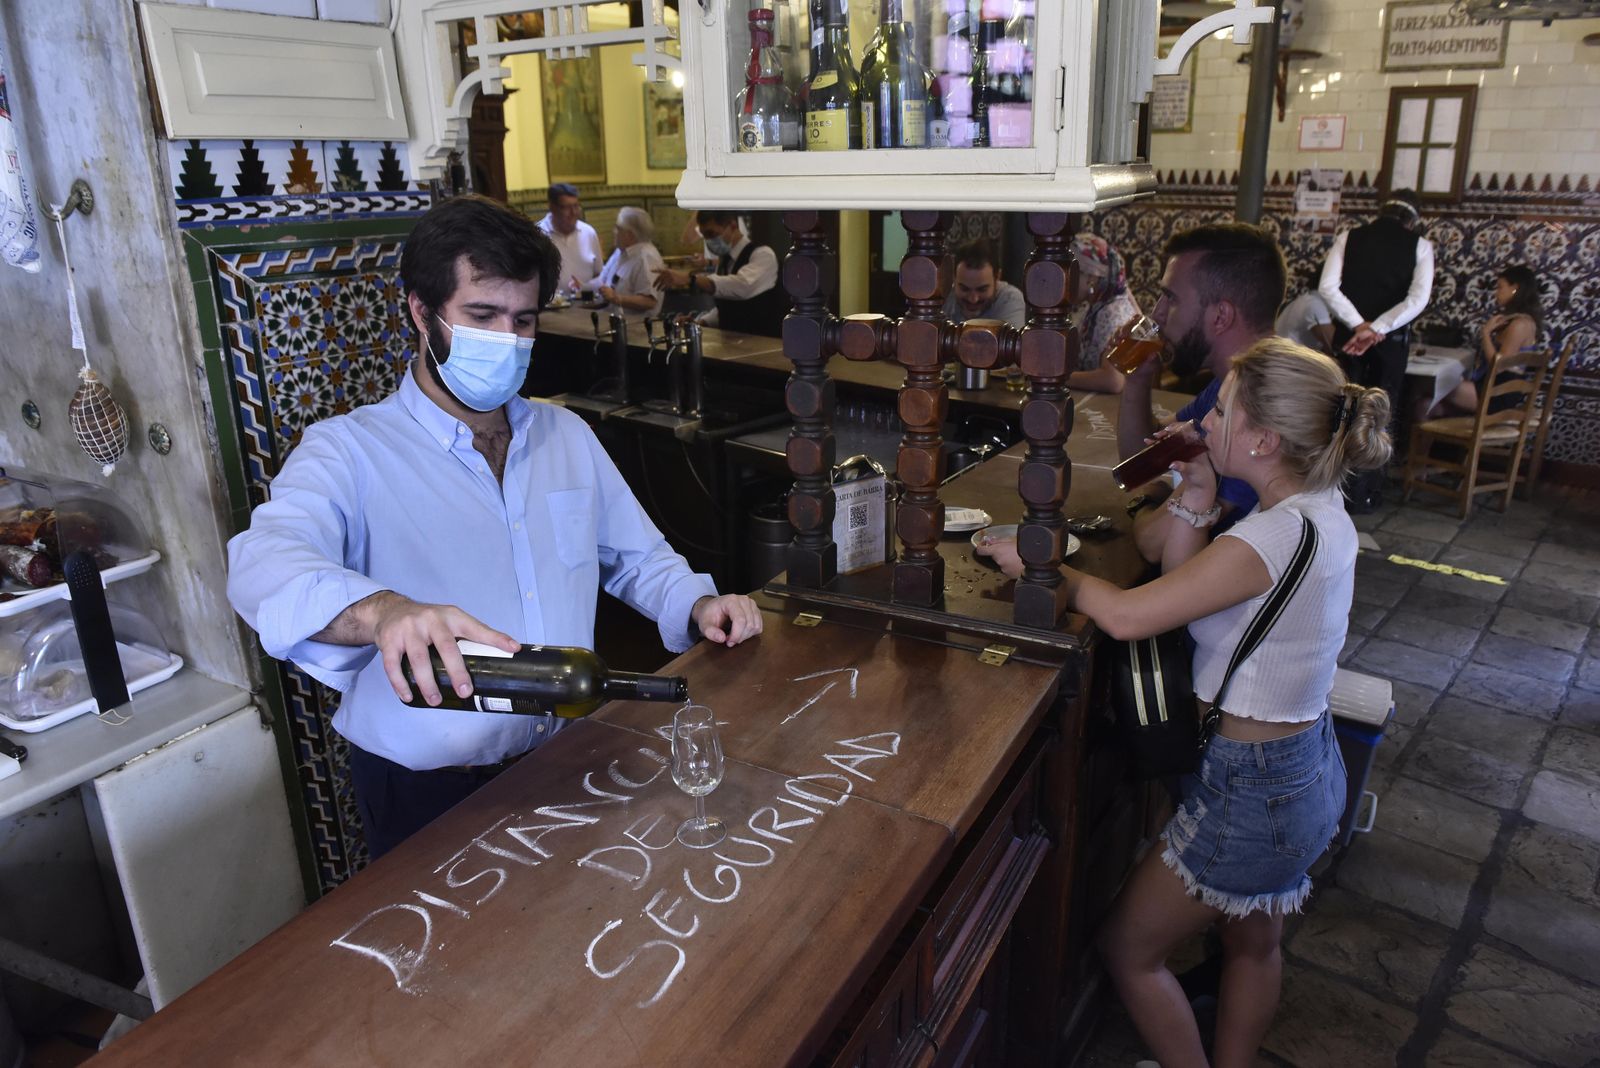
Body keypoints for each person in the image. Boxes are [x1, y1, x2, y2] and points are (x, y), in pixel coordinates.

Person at [226, 195, 762, 858]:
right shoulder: (348, 452)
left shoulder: (565, 435)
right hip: (427, 793)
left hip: (565, 765)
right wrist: (383, 613)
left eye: (524, 320)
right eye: (482, 316)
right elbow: (261, 564)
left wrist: (700, 603)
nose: (506, 341)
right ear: (421, 313)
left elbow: (635, 558)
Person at [980, 338, 1392, 1068]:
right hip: (1302, 767)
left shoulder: (1269, 535)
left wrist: (1045, 564)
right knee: (1252, 939)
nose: (1203, 422)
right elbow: (1196, 602)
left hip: (1253, 789)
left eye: (1222, 412)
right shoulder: (1318, 512)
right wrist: (1197, 491)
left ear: (1264, 439)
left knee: (1128, 950)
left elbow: (1134, 615)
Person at [1118, 222, 1286, 561]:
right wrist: (1138, 380)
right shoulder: (1238, 378)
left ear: (1221, 316)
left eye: (1171, 298)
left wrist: (1145, 502)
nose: (1157, 314)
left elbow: (1154, 542)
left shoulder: (1262, 405)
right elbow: (1146, 458)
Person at [1318, 188, 1434, 512]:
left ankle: (1332, 488)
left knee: (1343, 409)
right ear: (1412, 220)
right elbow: (1417, 299)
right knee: (1380, 413)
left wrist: (1358, 326)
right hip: (1390, 344)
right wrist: (1378, 329)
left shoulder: (1349, 237)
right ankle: (1366, 494)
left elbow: (1327, 287)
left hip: (1349, 339)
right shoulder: (1420, 246)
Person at [1425, 264, 1543, 419]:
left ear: (1515, 288)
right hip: (1489, 386)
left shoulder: (1520, 324)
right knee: (1424, 406)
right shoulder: (1514, 320)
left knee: (1433, 386)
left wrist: (1486, 333)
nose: (1496, 293)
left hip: (1500, 393)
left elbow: (1500, 366)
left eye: (1500, 287)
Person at [653, 210, 784, 337]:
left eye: (712, 233)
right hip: (734, 344)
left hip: (764, 344)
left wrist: (691, 279)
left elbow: (742, 286)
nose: (709, 241)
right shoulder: (724, 261)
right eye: (704, 235)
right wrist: (701, 322)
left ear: (732, 226)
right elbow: (727, 305)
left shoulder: (762, 254)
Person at [1066, 233, 1144, 395]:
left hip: (1114, 411)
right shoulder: (1098, 306)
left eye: (1071, 273)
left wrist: (1055, 379)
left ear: (1092, 278)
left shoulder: (1112, 313)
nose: (1065, 280)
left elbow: (1112, 380)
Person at [596, 207, 666, 316]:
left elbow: (649, 302)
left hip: (636, 328)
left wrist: (616, 298)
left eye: (618, 228)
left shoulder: (646, 258)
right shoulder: (620, 252)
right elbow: (603, 279)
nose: (614, 232)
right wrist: (583, 287)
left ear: (630, 234)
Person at [941, 240, 1026, 329]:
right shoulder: (943, 295)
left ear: (997, 278)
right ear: (954, 278)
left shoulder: (1010, 299)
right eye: (964, 289)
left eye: (982, 289)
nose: (973, 299)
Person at [537, 182, 604, 294]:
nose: (573, 213)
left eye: (576, 206)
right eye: (566, 208)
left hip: (587, 304)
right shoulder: (538, 235)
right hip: (550, 308)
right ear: (552, 208)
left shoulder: (589, 233)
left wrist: (586, 287)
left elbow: (600, 274)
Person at [1274, 274, 1335, 356]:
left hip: (1286, 360)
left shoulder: (1306, 300)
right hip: (1289, 363)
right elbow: (1333, 348)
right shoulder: (1314, 305)